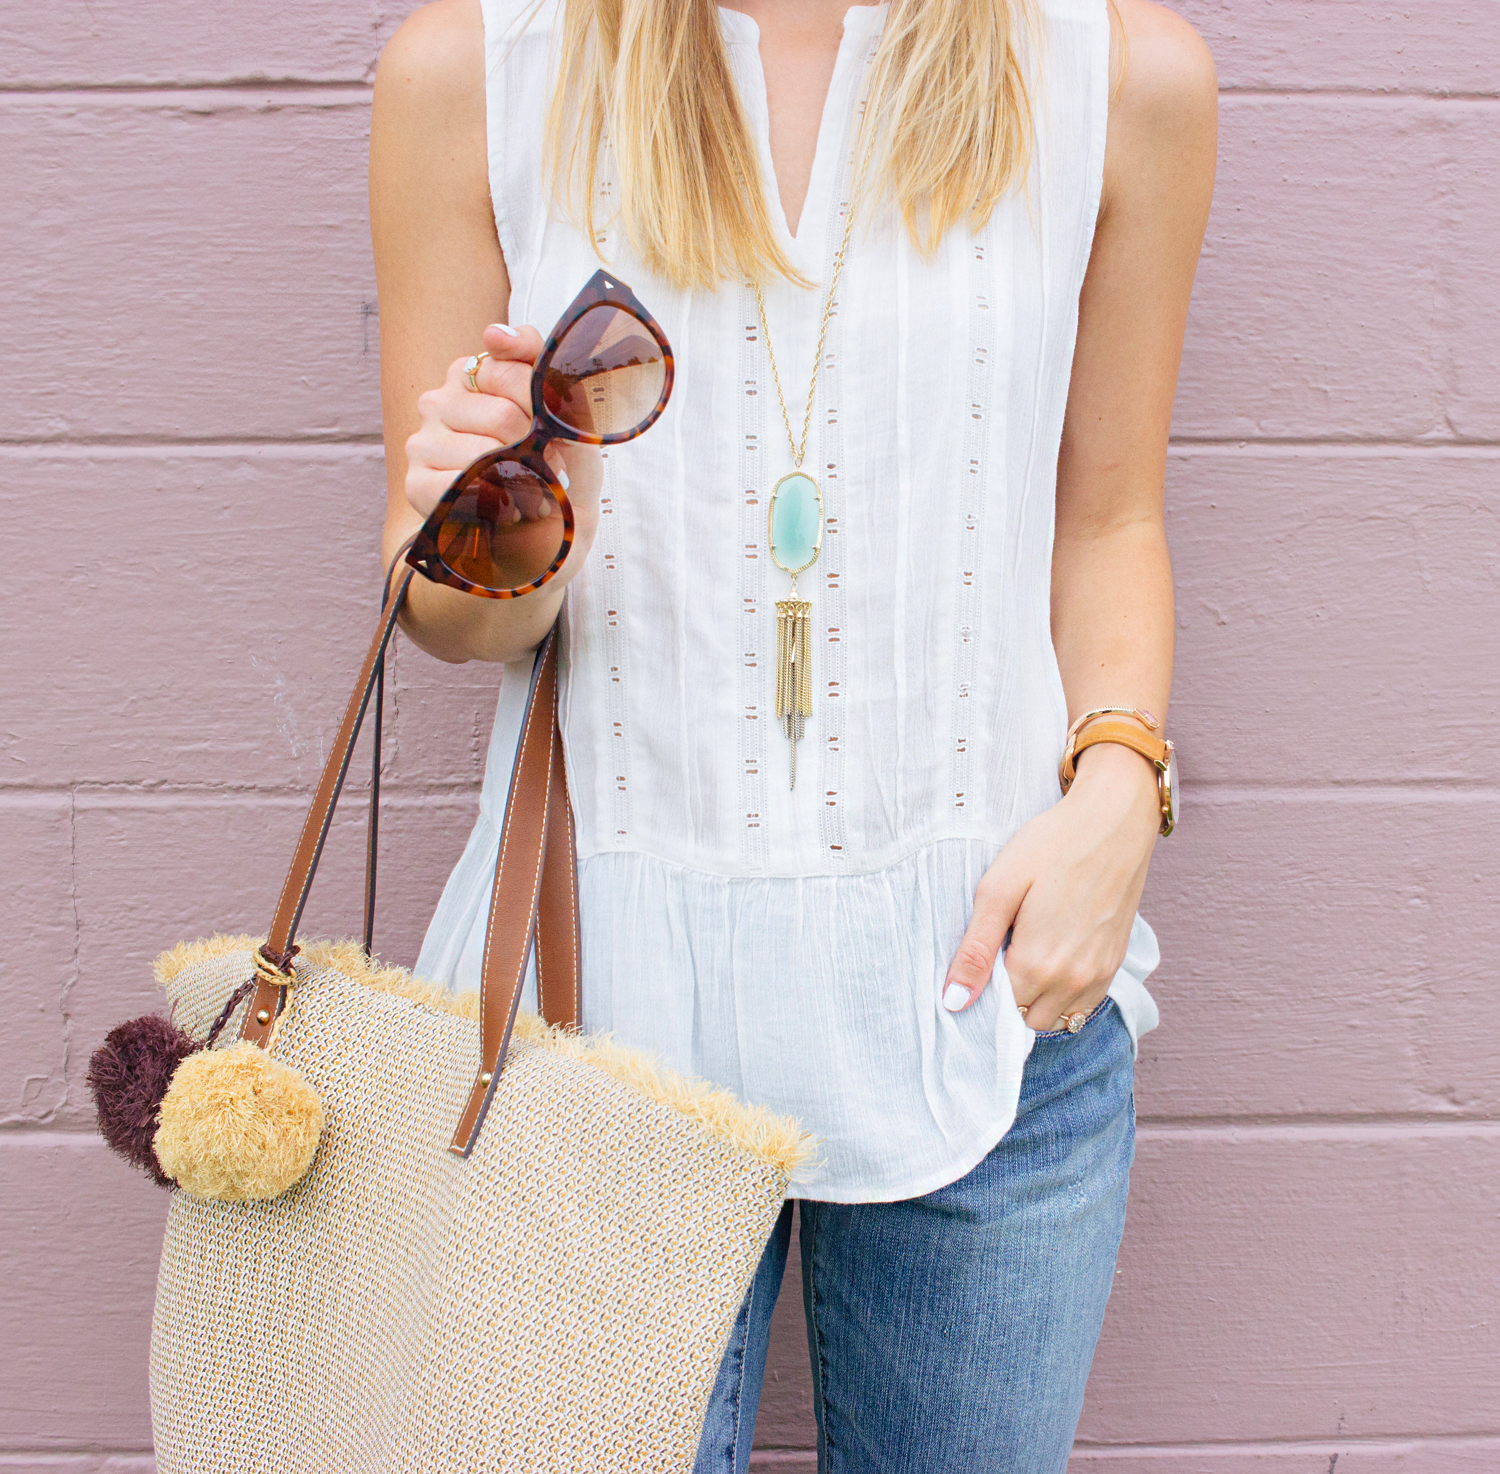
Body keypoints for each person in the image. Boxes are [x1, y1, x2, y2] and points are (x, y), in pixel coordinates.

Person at [370, 0, 1215, 1468]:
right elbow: (456, 622)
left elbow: (1111, 517)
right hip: (599, 1008)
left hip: (991, 995)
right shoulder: (479, 70)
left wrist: (1120, 792)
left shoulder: (1116, 73)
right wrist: (509, 507)